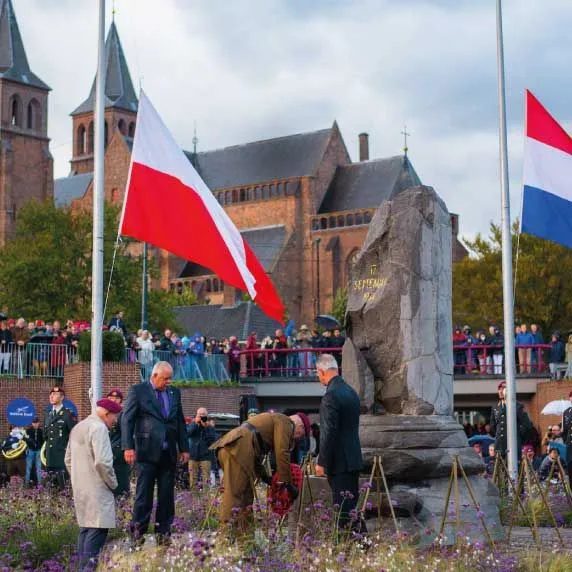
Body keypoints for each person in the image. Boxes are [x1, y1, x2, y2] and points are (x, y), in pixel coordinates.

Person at [121, 361, 189, 545]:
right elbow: (127, 419)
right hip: (146, 453)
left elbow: (180, 422)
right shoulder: (138, 391)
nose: (168, 382)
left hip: (168, 454)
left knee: (166, 497)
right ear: (155, 376)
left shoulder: (175, 393)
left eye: (170, 378)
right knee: (144, 496)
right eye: (166, 378)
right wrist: (128, 446)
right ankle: (137, 535)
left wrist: (184, 448)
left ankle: (163, 534)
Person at [210, 411, 309, 528]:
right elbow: (282, 452)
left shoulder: (272, 423)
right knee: (235, 495)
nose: (296, 439)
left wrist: (265, 477)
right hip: (237, 449)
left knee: (246, 496)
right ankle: (224, 534)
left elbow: (255, 450)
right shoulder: (286, 422)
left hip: (236, 448)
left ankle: (244, 536)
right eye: (301, 435)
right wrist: (287, 484)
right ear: (300, 426)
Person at [65, 398, 122, 571]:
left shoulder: (79, 427)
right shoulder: (99, 429)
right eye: (114, 417)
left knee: (85, 529)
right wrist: (113, 484)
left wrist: (78, 478)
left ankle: (82, 568)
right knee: (97, 530)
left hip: (81, 488)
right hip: (98, 488)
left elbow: (68, 459)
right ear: (106, 413)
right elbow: (103, 463)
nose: (115, 421)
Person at [315, 353, 364, 531]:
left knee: (343, 511)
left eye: (317, 373)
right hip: (354, 459)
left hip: (339, 463)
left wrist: (322, 461)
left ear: (321, 371)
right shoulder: (351, 393)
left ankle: (352, 548)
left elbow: (328, 432)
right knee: (351, 507)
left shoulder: (330, 397)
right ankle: (364, 544)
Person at [489, 381, 531, 459]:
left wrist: (517, 435)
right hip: (499, 446)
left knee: (513, 469)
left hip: (513, 445)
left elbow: (527, 425)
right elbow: (493, 427)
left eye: (504, 388)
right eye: (499, 389)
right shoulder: (495, 407)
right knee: (499, 469)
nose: (501, 391)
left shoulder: (517, 406)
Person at [44, 385, 76, 487]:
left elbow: (74, 434)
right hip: (50, 456)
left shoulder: (67, 414)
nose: (51, 396)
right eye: (51, 394)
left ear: (62, 397)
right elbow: (46, 435)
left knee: (63, 486)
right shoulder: (48, 414)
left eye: (55, 394)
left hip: (62, 455)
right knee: (51, 486)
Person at [106, 389, 130, 496]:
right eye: (111, 398)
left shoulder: (123, 414)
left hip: (119, 454)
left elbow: (126, 434)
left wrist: (113, 448)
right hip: (109, 453)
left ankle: (122, 506)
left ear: (120, 400)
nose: (113, 400)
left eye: (116, 398)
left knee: (121, 484)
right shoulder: (107, 414)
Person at [187, 407, 217, 489]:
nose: (201, 417)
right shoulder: (192, 423)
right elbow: (188, 433)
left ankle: (206, 500)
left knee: (206, 480)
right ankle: (194, 500)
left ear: (207, 416)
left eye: (203, 415)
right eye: (200, 415)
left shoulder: (210, 426)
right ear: (196, 415)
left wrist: (207, 427)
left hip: (206, 456)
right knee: (193, 479)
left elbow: (212, 440)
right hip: (193, 455)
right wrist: (195, 424)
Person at [24, 417, 43, 486]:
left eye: (37, 423)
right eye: (34, 423)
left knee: (39, 468)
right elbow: (25, 440)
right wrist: (29, 443)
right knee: (28, 467)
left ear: (38, 423)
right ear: (32, 423)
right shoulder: (28, 431)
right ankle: (26, 484)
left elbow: (42, 441)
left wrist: (40, 447)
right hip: (30, 450)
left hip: (38, 451)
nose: (35, 424)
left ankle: (40, 484)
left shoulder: (41, 431)